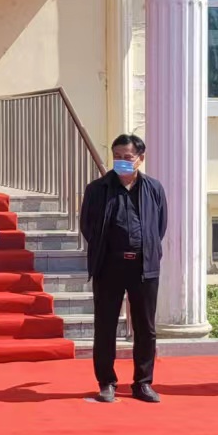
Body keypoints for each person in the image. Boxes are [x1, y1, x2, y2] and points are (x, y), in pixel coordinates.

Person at [78, 134, 168, 404]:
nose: (121, 161)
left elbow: (159, 226)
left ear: (141, 158)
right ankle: (106, 382)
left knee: (145, 327)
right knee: (105, 325)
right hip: (109, 265)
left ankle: (143, 383)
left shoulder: (153, 188)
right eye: (117, 156)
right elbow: (88, 226)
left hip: (143, 265)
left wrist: (146, 249)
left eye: (127, 157)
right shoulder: (97, 189)